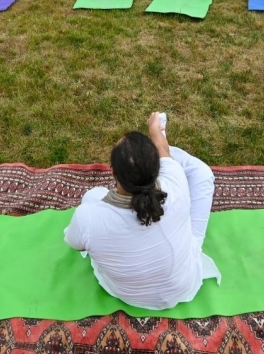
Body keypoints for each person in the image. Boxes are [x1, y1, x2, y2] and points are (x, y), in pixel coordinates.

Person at [64, 112, 220, 310]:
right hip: (184, 283)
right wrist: (156, 129)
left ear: (113, 172)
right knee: (202, 173)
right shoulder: (175, 182)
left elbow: (78, 246)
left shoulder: (87, 218)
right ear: (158, 169)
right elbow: (164, 149)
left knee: (92, 195)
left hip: (125, 293)